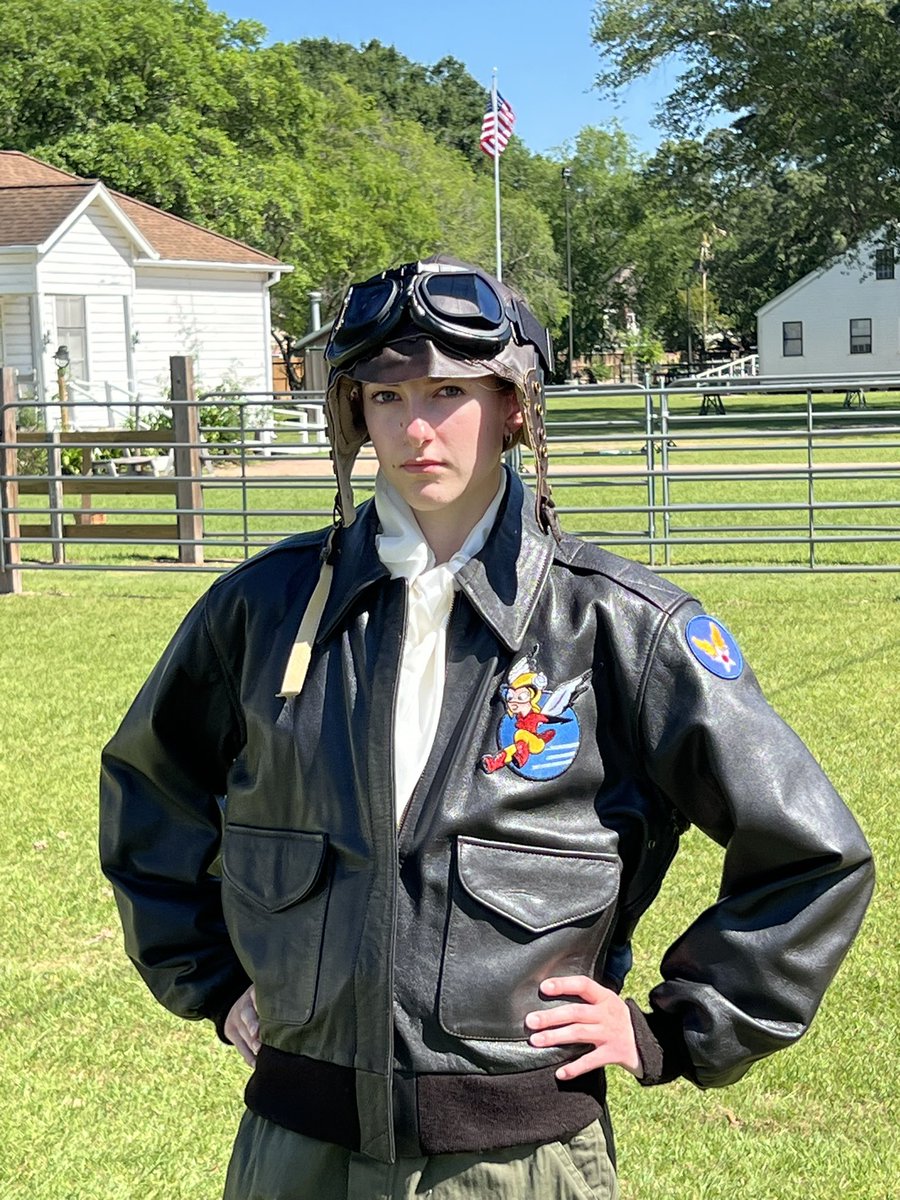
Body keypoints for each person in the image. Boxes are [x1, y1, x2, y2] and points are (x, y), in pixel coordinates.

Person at [100, 256, 873, 1200]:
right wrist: (214, 985)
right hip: (294, 1150)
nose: (415, 427)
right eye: (386, 396)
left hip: (515, 1160)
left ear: (513, 406)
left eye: (449, 391)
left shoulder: (619, 625)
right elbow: (151, 795)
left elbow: (811, 853)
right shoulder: (260, 611)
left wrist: (675, 1026)